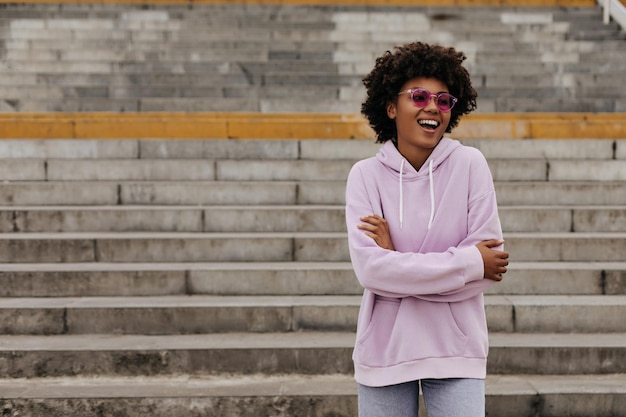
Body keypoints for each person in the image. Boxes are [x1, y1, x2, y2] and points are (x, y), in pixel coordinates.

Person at [345, 42, 510, 417]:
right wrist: (467, 263)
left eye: (443, 99)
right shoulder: (364, 177)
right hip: (385, 351)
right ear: (391, 107)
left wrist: (397, 264)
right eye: (418, 96)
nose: (432, 106)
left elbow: (491, 268)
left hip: (457, 350)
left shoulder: (471, 165)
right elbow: (371, 270)